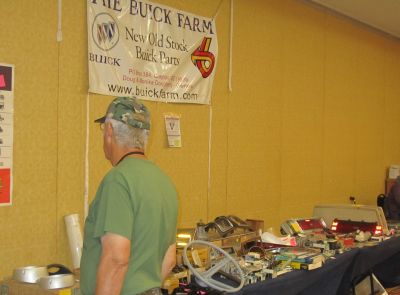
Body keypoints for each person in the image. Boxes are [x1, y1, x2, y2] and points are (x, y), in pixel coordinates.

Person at [80, 97, 179, 295]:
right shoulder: (164, 182)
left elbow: (116, 258)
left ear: (109, 131)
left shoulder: (118, 180)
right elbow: (169, 261)